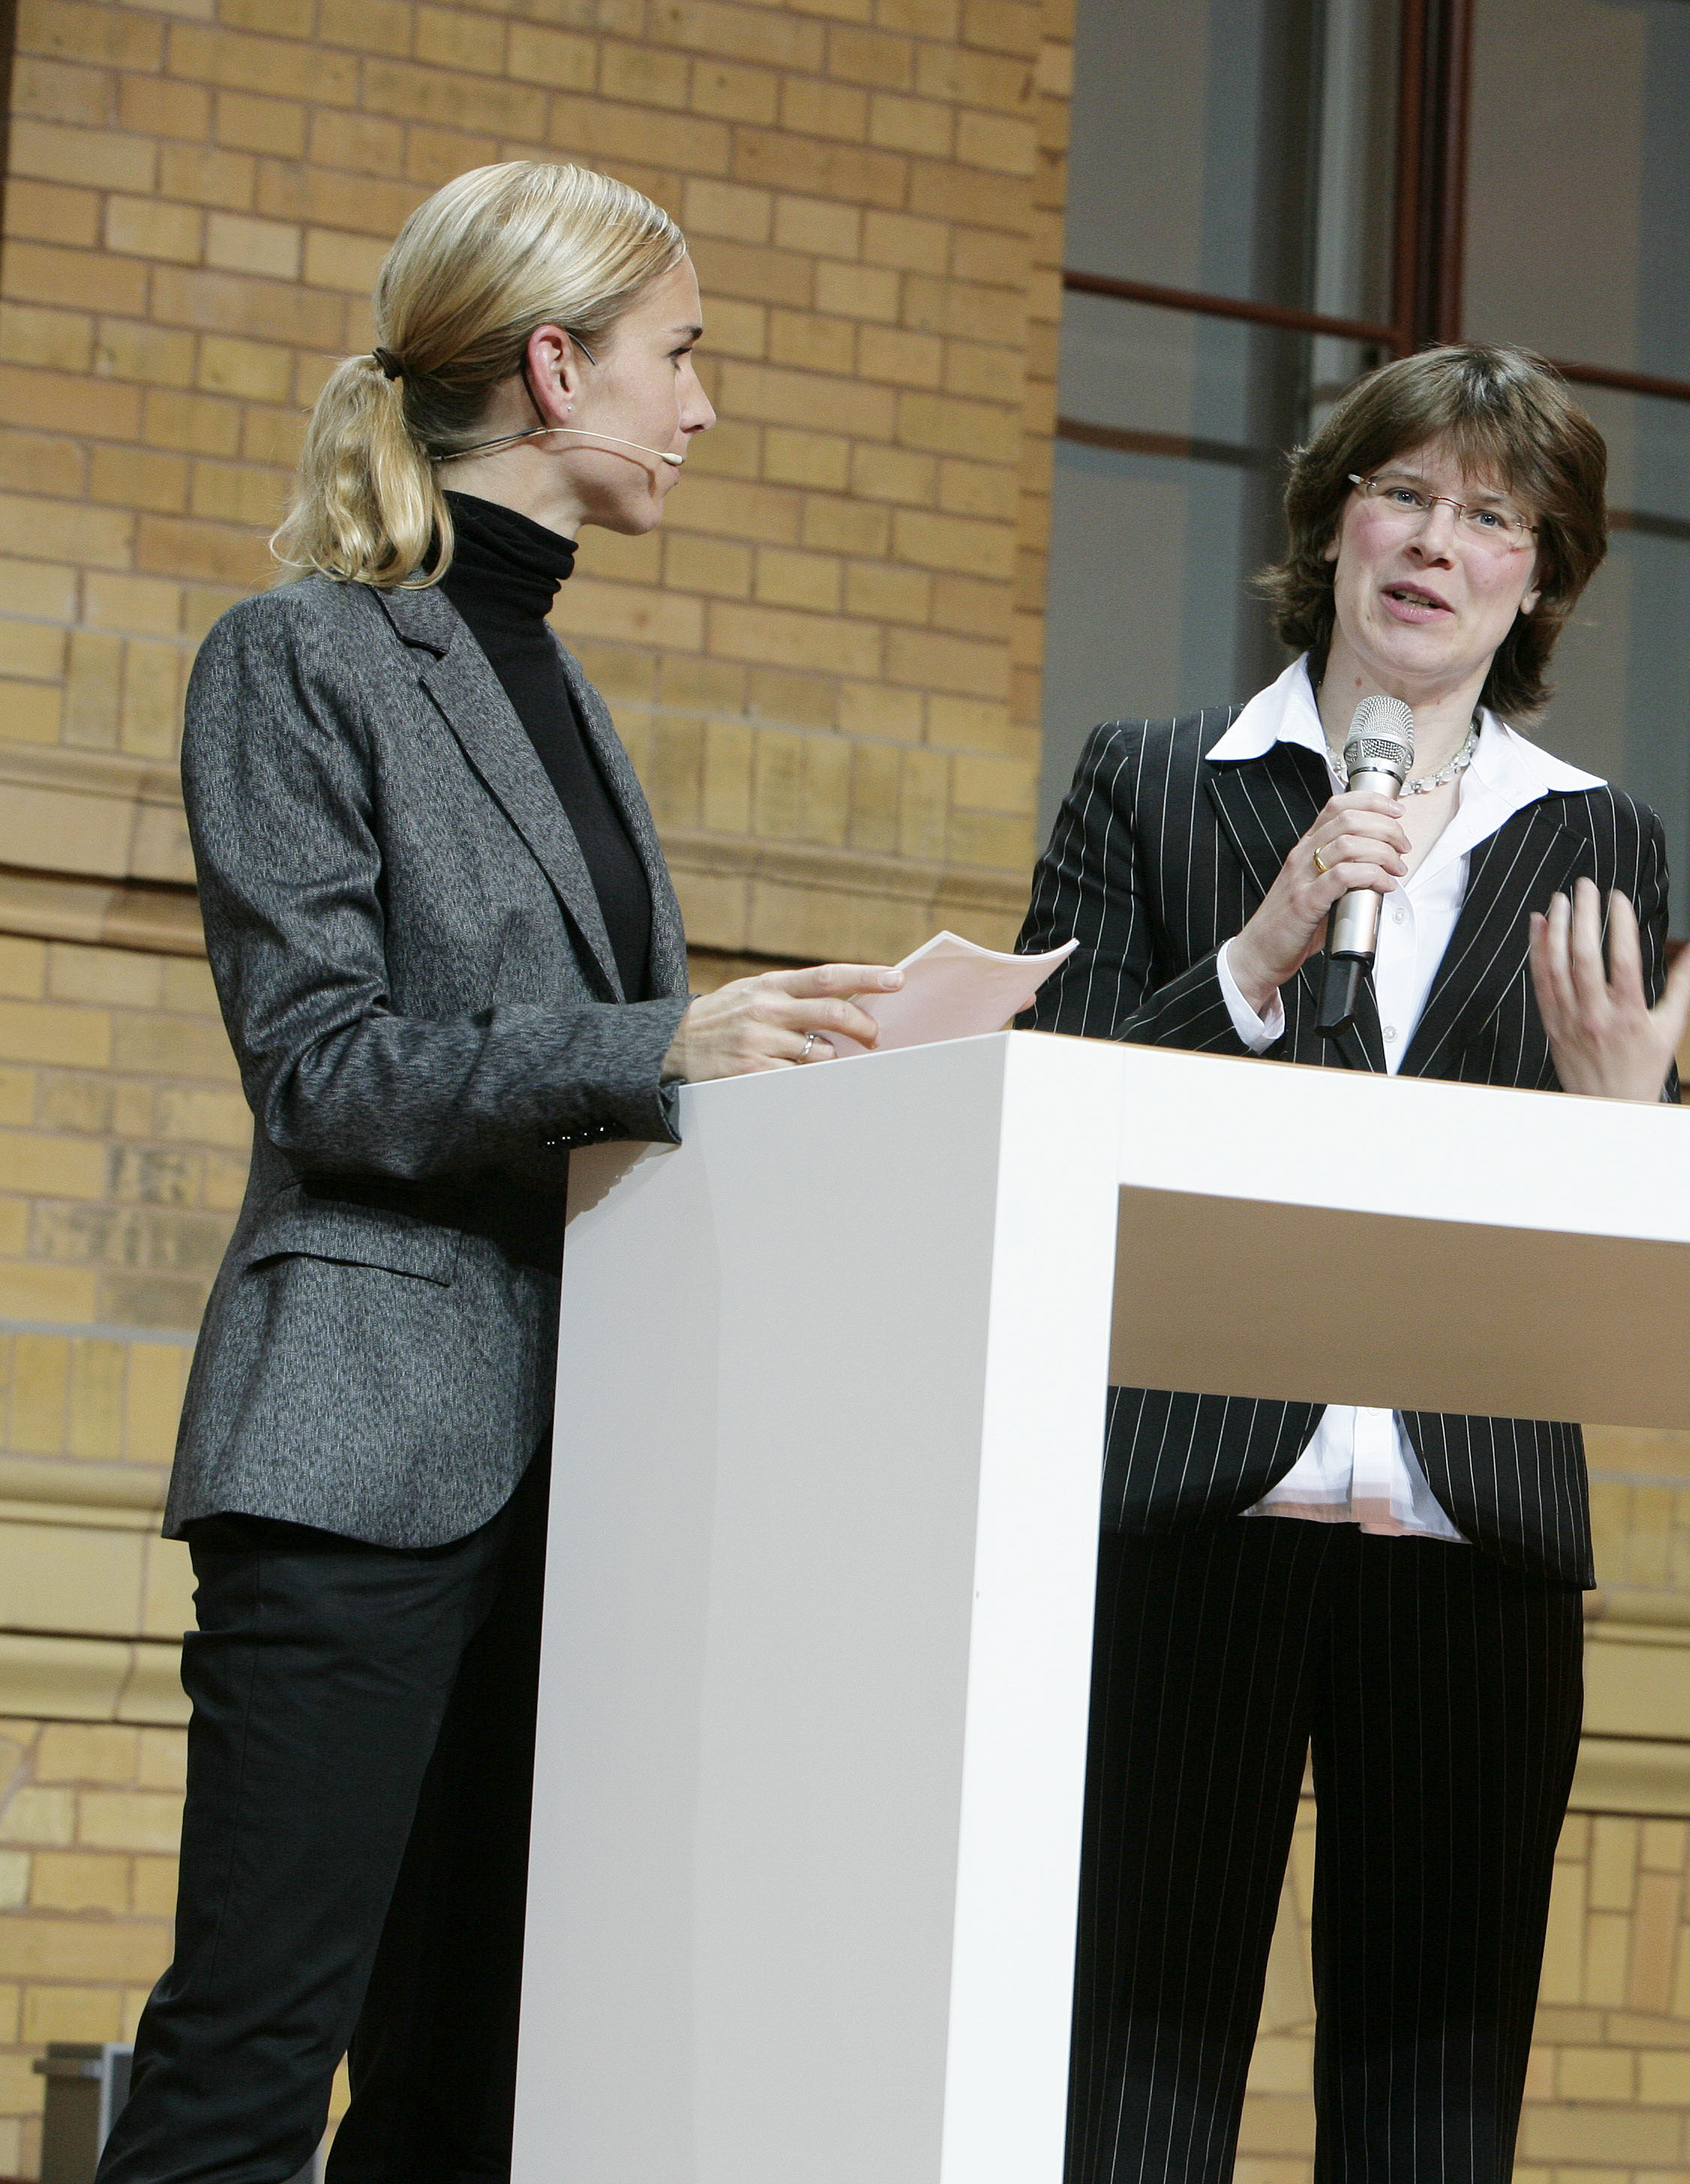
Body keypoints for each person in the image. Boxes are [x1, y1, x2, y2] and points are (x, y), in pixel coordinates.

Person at [101, 162, 902, 2184]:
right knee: (248, 2062)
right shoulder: (298, 657)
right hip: (360, 1456)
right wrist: (658, 1042)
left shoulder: (561, 693)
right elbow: (323, 1068)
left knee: (479, 2089)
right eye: (678, 353)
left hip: (580, 1480)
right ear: (556, 369)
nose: (702, 403)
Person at [1016, 342, 1690, 2182]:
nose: (1435, 542)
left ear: (1540, 579)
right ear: (1332, 523)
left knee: (1433, 2114)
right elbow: (1046, 1124)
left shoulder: (1597, 836)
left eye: (1491, 516)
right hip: (1186, 1516)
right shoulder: (1153, 783)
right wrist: (1255, 959)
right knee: (1126, 2093)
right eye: (1401, 494)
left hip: (1472, 1532)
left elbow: (1625, 1262)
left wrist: (1630, 1122)